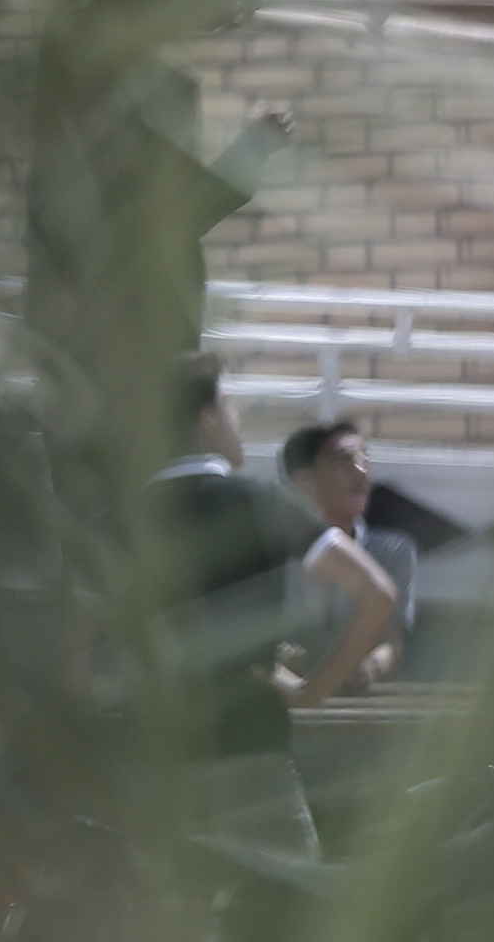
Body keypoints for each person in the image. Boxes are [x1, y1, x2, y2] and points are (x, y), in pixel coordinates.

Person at [135, 358, 398, 859]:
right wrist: (312, 691)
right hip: (248, 760)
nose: (238, 420)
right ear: (206, 421)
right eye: (229, 407)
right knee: (288, 903)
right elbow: (376, 592)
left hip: (150, 770)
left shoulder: (118, 519)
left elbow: (79, 659)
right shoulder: (262, 501)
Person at [281, 418, 421, 689]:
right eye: (343, 461)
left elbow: (392, 642)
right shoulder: (276, 553)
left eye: (363, 459)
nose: (360, 472)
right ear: (304, 480)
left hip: (360, 701)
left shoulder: (392, 551)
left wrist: (370, 669)